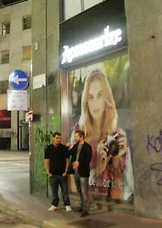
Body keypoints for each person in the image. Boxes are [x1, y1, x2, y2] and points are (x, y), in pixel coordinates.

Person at [72, 69, 132, 201]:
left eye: (100, 95)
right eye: (90, 97)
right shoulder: (79, 131)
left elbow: (118, 197)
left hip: (107, 202)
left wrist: (116, 158)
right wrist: (100, 165)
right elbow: (73, 187)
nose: (95, 103)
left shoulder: (118, 136)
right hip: (85, 200)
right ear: (86, 101)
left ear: (106, 98)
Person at [45, 132, 71, 212]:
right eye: (57, 138)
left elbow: (67, 160)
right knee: (54, 192)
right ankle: (55, 205)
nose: (59, 139)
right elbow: (46, 161)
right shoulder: (48, 148)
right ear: (53, 138)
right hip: (52, 174)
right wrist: (48, 172)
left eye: (60, 138)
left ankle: (67, 204)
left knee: (65, 191)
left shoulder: (64, 148)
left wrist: (66, 171)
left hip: (62, 174)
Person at [69, 130, 92, 217]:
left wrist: (79, 163)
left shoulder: (87, 147)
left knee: (84, 192)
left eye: (76, 136)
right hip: (76, 172)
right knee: (79, 191)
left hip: (83, 173)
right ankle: (82, 206)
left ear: (81, 137)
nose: (75, 138)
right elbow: (70, 153)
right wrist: (68, 146)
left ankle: (86, 210)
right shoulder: (76, 146)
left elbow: (88, 159)